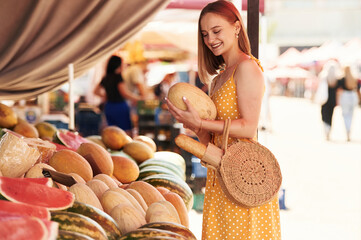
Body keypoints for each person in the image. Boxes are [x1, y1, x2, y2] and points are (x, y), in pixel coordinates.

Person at [166, 1, 281, 239]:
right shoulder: (217, 79)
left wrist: (202, 122)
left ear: (237, 27)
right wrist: (195, 125)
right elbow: (212, 137)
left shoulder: (247, 67)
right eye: (205, 34)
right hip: (220, 173)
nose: (210, 39)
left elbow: (248, 127)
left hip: (244, 174)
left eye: (217, 31)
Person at [94, 55, 142, 136]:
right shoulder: (118, 77)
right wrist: (138, 98)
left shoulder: (106, 77)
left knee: (112, 132)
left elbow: (96, 91)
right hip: (119, 107)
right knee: (126, 132)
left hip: (109, 106)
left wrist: (106, 95)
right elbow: (124, 93)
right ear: (118, 65)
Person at [319, 60, 342, 140]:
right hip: (332, 100)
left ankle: (326, 130)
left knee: (324, 115)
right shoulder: (337, 78)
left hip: (324, 99)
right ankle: (328, 130)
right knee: (330, 116)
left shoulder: (323, 76)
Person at [338, 66, 360, 141]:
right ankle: (349, 130)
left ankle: (347, 129)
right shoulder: (354, 78)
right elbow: (357, 89)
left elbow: (338, 90)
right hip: (353, 96)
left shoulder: (342, 79)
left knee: (345, 115)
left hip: (345, 96)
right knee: (350, 115)